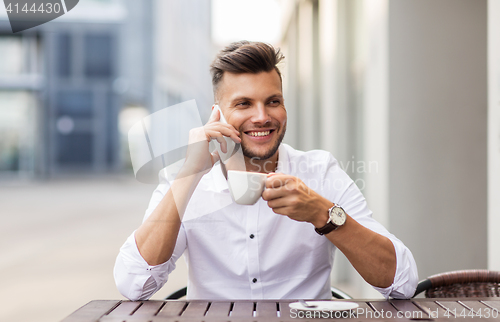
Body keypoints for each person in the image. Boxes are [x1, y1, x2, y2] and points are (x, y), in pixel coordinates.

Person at [114, 41, 418, 300]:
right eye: (244, 104)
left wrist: (323, 214)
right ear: (216, 114)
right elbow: (133, 284)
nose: (262, 117)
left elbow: (403, 283)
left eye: (273, 101)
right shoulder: (184, 179)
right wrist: (189, 174)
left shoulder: (321, 172)